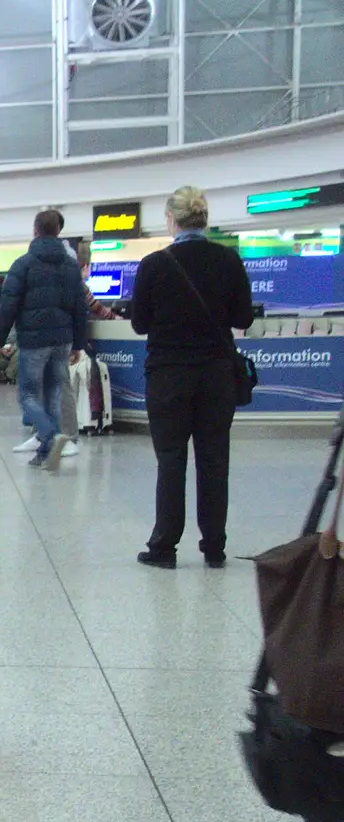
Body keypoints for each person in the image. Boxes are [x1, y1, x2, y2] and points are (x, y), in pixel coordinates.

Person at [131, 186, 255, 570]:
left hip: (168, 375)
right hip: (216, 375)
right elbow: (243, 318)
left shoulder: (154, 265)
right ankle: (214, 546)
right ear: (204, 219)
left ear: (171, 220)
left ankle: (164, 546)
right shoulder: (228, 260)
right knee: (214, 458)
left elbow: (138, 323)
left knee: (171, 459)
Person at [0, 210, 87, 473]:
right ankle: (46, 451)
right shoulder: (71, 266)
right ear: (58, 231)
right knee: (53, 392)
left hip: (34, 340)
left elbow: (8, 304)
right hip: (62, 340)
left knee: (27, 396)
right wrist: (79, 343)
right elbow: (80, 307)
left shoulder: (23, 264)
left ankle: (50, 433)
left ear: (35, 230)